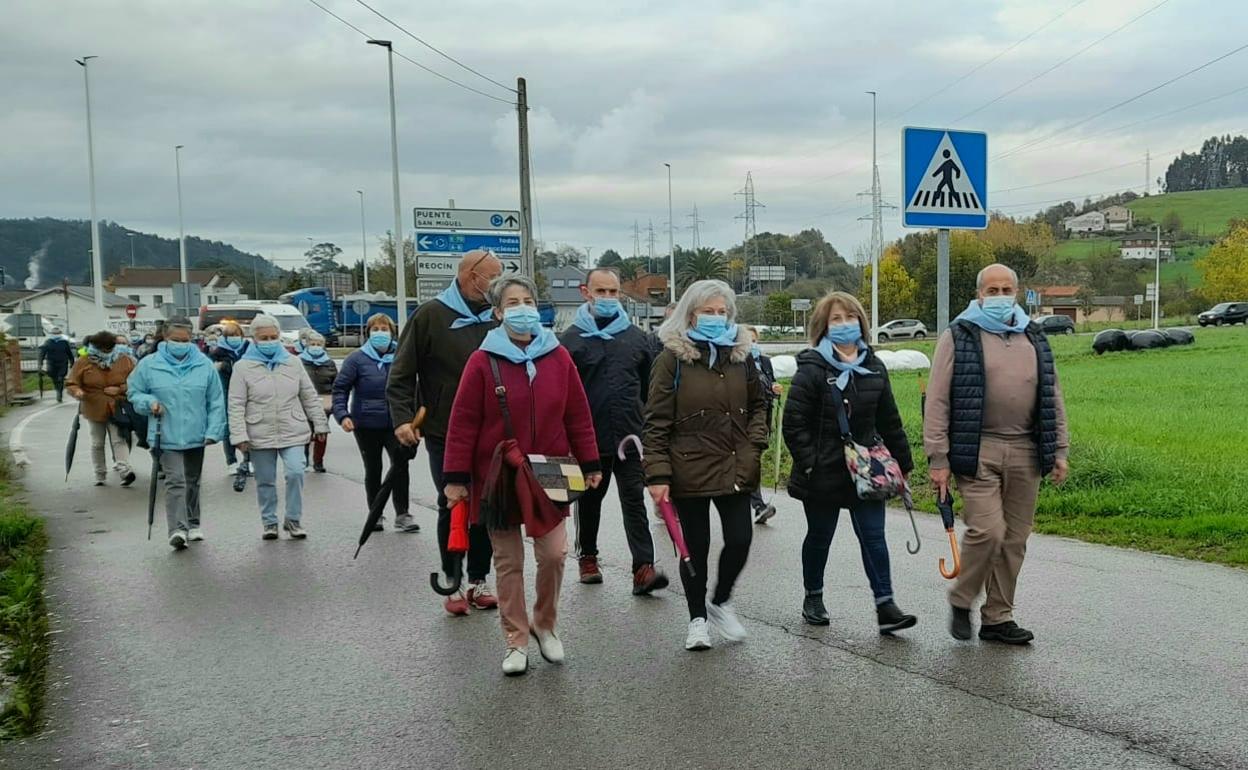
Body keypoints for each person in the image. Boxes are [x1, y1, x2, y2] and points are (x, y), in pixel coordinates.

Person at [443, 275, 601, 676]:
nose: (522, 308)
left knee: (554, 555)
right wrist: (456, 477)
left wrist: (591, 462)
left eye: (528, 300)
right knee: (508, 561)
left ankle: (544, 624)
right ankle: (515, 640)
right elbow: (462, 422)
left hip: (551, 470)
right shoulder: (482, 360)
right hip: (498, 475)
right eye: (512, 302)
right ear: (497, 312)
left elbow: (578, 414)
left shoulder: (558, 356)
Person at [924, 264, 1070, 645]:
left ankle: (998, 617)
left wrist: (1060, 449)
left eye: (1007, 289)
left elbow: (1052, 395)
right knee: (988, 531)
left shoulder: (1033, 335)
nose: (1000, 295)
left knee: (1015, 538)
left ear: (1017, 293)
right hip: (978, 448)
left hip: (1026, 448)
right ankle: (962, 597)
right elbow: (937, 399)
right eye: (993, 289)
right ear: (979, 295)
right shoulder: (959, 335)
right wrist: (938, 458)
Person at [781, 292, 917, 633]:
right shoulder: (811, 369)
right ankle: (813, 595)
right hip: (823, 471)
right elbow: (793, 424)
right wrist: (810, 464)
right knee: (820, 536)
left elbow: (890, 419)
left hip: (867, 470)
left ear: (862, 322)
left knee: (874, 537)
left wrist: (902, 466)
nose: (844, 324)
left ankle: (885, 605)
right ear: (823, 327)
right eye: (836, 319)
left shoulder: (874, 365)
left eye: (850, 317)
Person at [643, 279, 768, 652]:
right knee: (694, 547)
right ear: (690, 314)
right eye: (707, 312)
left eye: (721, 312)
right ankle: (697, 618)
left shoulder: (741, 357)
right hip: (688, 466)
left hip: (735, 463)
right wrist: (658, 474)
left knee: (741, 540)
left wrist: (754, 444)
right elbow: (656, 421)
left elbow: (760, 405)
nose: (715, 318)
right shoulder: (671, 359)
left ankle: (721, 600)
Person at [387, 248, 503, 616]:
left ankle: (478, 579)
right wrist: (403, 419)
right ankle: (451, 579)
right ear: (472, 276)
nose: (497, 285)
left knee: (486, 504)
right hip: (444, 428)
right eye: (493, 277)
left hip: (491, 429)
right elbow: (402, 373)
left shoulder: (498, 317)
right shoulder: (430, 315)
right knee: (453, 500)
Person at [559, 267, 668, 594]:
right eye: (601, 291)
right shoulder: (571, 340)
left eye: (613, 292)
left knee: (634, 500)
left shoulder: (637, 339)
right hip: (589, 440)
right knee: (590, 500)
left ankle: (643, 567)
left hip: (631, 437)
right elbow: (563, 394)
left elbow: (649, 388)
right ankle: (588, 557)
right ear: (586, 292)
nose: (607, 298)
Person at [126, 316, 226, 549]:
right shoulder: (149, 364)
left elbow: (216, 401)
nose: (180, 343)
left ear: (191, 339)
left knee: (192, 481)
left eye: (185, 339)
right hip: (165, 434)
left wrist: (214, 431)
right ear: (166, 338)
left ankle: (193, 522)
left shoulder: (204, 365)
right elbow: (134, 392)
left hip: (196, 433)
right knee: (175, 481)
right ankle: (177, 529)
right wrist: (149, 402)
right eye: (175, 339)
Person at [229, 314, 328, 540]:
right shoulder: (243, 367)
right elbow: (235, 404)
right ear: (254, 339)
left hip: (292, 428)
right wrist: (239, 435)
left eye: (273, 336)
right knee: (265, 480)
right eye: (264, 337)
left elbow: (308, 395)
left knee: (295, 472)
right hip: (258, 431)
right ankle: (269, 522)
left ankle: (293, 519)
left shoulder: (293, 362)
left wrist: (320, 423)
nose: (269, 340)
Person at [333, 314, 418, 533]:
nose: (380, 333)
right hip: (366, 424)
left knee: (400, 467)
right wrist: (343, 415)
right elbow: (340, 389)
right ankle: (376, 514)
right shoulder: (356, 359)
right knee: (373, 469)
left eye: (384, 329)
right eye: (376, 329)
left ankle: (403, 514)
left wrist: (416, 419)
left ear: (392, 332)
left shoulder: (402, 356)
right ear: (368, 333)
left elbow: (415, 388)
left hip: (397, 423)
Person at [66, 331, 137, 487]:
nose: (106, 352)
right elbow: (72, 382)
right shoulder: (84, 361)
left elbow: (136, 381)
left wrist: (120, 389)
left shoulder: (125, 360)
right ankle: (100, 474)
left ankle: (125, 470)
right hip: (93, 407)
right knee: (97, 442)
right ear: (95, 347)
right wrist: (77, 391)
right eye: (102, 349)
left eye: (109, 349)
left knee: (119, 439)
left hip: (116, 406)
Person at [745, 325, 783, 524]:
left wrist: (775, 388)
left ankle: (753, 503)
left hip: (764, 418)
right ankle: (757, 505)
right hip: (744, 421)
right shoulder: (738, 363)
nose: (752, 345)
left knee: (754, 461)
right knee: (751, 462)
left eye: (755, 341)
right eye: (748, 341)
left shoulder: (765, 362)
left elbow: (771, 383)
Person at [210, 321, 249, 478]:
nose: (234, 338)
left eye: (236, 335)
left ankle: (248, 460)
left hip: (247, 392)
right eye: (230, 336)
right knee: (229, 427)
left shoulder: (248, 349)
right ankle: (231, 462)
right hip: (226, 392)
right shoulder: (218, 353)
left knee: (248, 426)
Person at [299, 331, 337, 473]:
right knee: (306, 432)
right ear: (307, 345)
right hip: (304, 402)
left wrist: (333, 399)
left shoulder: (329, 363)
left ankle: (318, 462)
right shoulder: (299, 361)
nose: (315, 347)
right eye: (312, 344)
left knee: (322, 432)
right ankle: (304, 460)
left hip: (324, 402)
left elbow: (336, 382)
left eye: (318, 344)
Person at [38, 327, 75, 402]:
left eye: (57, 333)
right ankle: (58, 390)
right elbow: (42, 353)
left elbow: (69, 353)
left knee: (60, 377)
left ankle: (59, 393)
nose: (56, 335)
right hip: (51, 363)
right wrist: (40, 363)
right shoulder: (48, 342)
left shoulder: (64, 342)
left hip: (62, 363)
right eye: (54, 334)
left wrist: (72, 362)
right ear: (52, 334)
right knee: (54, 378)